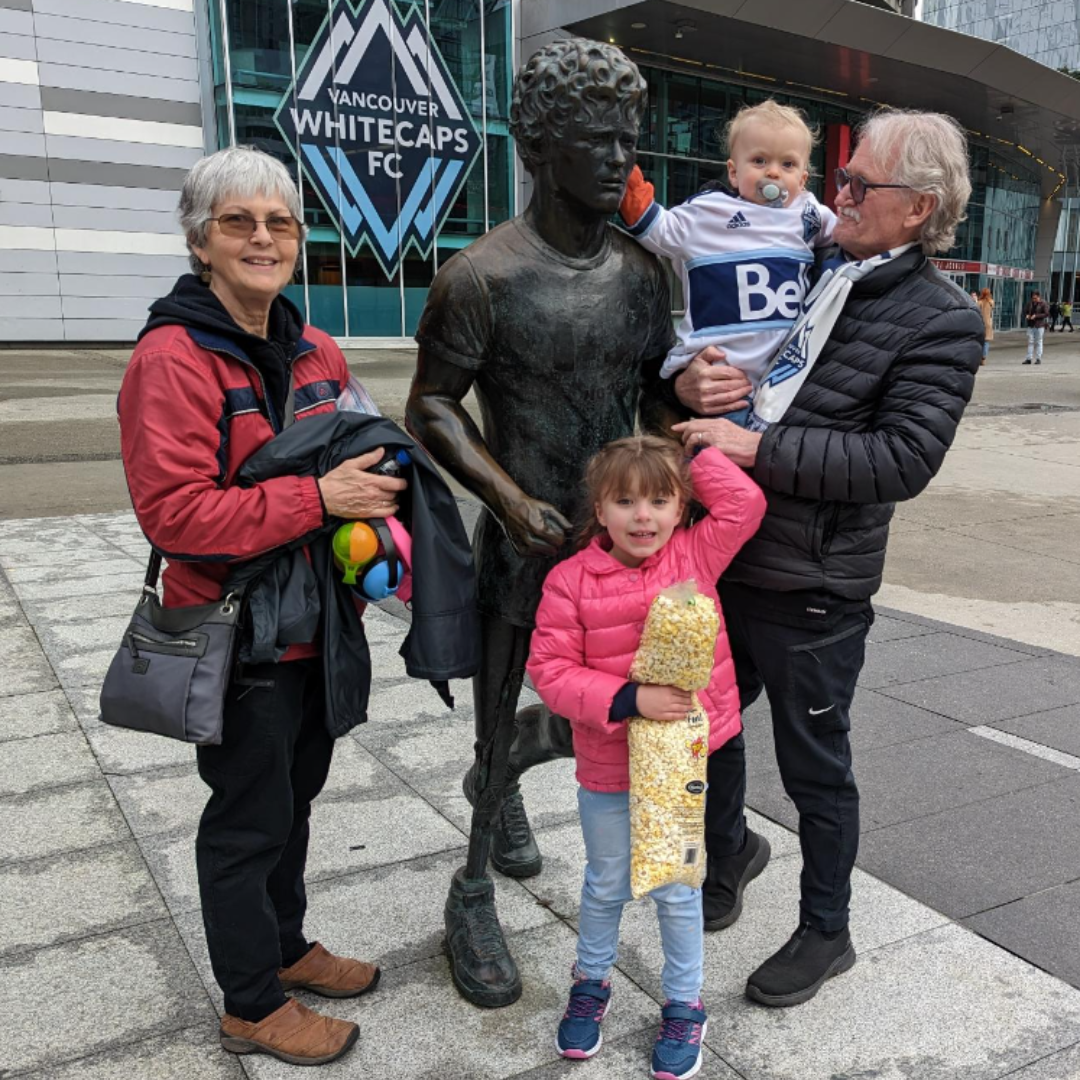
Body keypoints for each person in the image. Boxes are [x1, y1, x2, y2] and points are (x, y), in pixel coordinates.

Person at [664, 109, 983, 1008]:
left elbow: (899, 461)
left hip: (812, 580)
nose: (831, 192)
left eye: (857, 184)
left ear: (917, 209)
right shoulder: (808, 261)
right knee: (707, 726)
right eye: (837, 177)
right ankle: (729, 857)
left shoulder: (944, 321)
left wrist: (753, 448)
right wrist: (688, 381)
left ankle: (826, 931)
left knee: (814, 767)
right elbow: (708, 344)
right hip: (722, 552)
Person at [118, 147, 408, 1066]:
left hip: (318, 630)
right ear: (200, 240)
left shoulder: (315, 346)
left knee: (295, 802)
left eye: (279, 223)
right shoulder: (172, 360)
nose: (262, 238)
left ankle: (285, 948)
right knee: (246, 824)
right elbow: (177, 515)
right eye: (238, 222)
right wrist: (320, 501)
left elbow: (366, 444)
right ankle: (249, 1001)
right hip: (237, 639)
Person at [407, 38, 676, 1007]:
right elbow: (431, 405)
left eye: (627, 142)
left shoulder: (644, 274)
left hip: (618, 546)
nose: (619, 160)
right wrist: (508, 498)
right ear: (540, 147)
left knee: (612, 712)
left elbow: (651, 394)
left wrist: (683, 460)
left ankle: (510, 771)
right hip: (526, 545)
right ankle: (471, 888)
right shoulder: (480, 277)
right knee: (496, 716)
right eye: (596, 142)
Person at [527, 436, 765, 1079]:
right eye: (625, 500)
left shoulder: (694, 554)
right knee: (606, 882)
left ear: (681, 507)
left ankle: (684, 1003)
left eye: (660, 500)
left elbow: (743, 504)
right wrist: (629, 697)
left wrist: (697, 452)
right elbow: (548, 671)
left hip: (680, 764)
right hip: (608, 764)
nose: (643, 517)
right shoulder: (570, 580)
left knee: (676, 888)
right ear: (599, 510)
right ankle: (591, 982)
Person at [619, 100, 836, 427]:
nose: (773, 172)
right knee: (723, 457)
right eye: (760, 160)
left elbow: (850, 238)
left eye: (788, 164)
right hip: (723, 378)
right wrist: (625, 178)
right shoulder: (707, 211)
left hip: (784, 378)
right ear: (734, 172)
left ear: (803, 180)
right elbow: (657, 230)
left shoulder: (808, 213)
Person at [1024, 291, 1049, 363]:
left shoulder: (1043, 303)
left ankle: (1038, 358)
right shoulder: (1030, 303)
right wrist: (1027, 315)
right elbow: (1025, 311)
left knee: (1038, 341)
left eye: (1035, 298)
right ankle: (1029, 358)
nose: (1034, 300)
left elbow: (1046, 313)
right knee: (1030, 341)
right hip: (1031, 325)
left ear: (1039, 297)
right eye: (1033, 298)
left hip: (1039, 325)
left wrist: (1036, 316)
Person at [978, 287, 994, 365]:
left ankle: (979, 356)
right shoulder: (991, 302)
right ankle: (983, 357)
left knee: (980, 340)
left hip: (980, 323)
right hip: (988, 323)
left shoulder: (979, 302)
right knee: (986, 341)